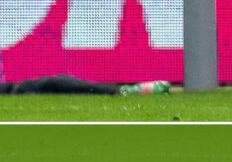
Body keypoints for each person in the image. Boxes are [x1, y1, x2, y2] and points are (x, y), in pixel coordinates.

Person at [0, 75, 170, 96]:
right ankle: (127, 91)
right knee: (53, 83)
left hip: (14, 88)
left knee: (58, 81)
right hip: (14, 91)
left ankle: (126, 91)